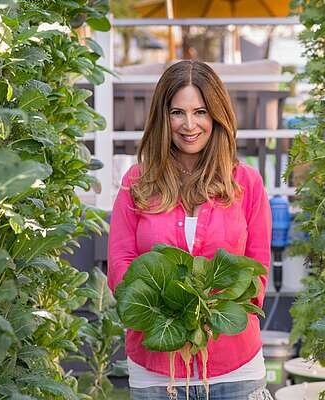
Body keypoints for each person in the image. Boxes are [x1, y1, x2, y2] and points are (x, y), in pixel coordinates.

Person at [107, 60, 273, 400]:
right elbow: (120, 264)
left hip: (235, 367)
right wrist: (164, 314)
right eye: (177, 113)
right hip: (157, 368)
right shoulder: (137, 183)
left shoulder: (246, 184)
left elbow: (257, 268)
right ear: (162, 117)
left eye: (200, 112)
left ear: (217, 115)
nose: (189, 125)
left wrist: (210, 314)